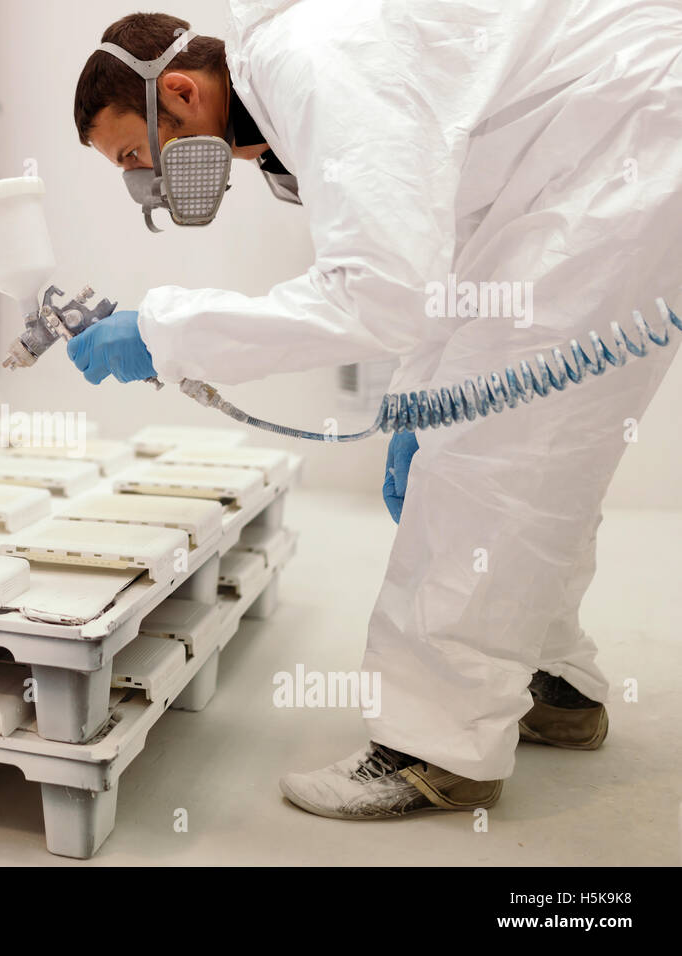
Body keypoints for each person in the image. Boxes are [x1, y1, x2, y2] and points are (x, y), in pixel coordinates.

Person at [68, 0, 682, 819]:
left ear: (179, 91)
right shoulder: (300, 94)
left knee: (496, 456)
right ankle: (554, 685)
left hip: (630, 137)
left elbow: (379, 292)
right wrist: (416, 404)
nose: (145, 183)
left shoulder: (312, 65)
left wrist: (163, 329)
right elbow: (445, 267)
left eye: (135, 155)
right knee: (523, 447)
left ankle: (439, 751)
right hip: (596, 144)